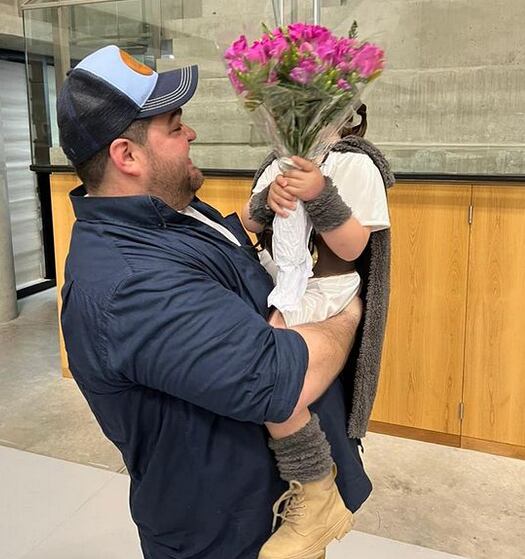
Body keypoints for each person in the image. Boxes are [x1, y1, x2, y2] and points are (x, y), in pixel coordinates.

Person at [56, 45, 373, 559]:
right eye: (175, 126)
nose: (191, 135)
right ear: (127, 156)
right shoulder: (132, 287)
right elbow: (284, 378)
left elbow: (216, 251)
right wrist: (348, 306)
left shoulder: (164, 215)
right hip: (229, 532)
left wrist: (265, 216)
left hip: (264, 499)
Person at [241, 103, 393, 556]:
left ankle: (315, 488)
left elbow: (354, 245)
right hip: (278, 279)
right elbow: (247, 225)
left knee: (269, 369)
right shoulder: (276, 164)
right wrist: (264, 201)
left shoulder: (355, 164)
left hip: (325, 289)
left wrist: (321, 193)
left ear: (345, 112)